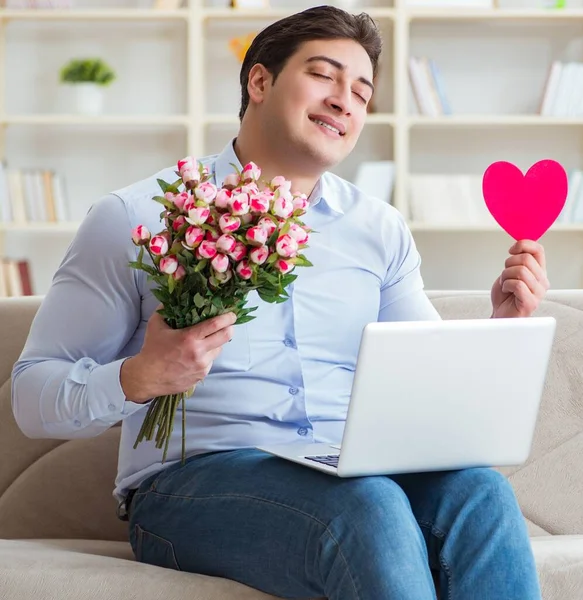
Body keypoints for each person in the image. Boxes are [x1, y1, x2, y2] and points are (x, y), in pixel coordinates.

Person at [11, 5, 550, 600]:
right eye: (324, 75)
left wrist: (501, 330)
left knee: (481, 495)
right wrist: (140, 376)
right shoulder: (137, 217)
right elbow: (34, 397)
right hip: (191, 486)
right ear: (260, 81)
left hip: (350, 474)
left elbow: (427, 403)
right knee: (364, 507)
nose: (345, 100)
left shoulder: (380, 228)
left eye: (362, 92)